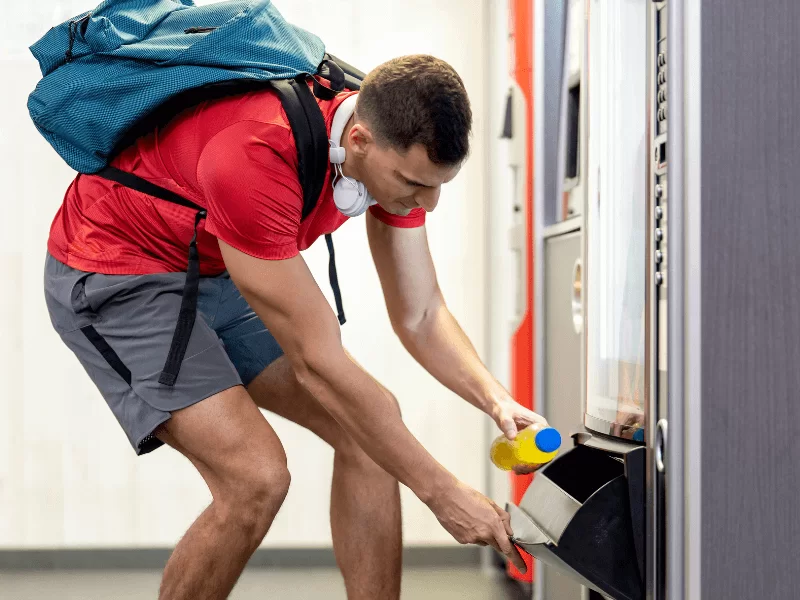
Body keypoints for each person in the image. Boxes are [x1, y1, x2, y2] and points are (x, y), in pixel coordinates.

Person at [43, 53, 547, 600]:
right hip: (117, 268)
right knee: (255, 477)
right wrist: (442, 492)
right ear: (357, 141)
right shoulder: (254, 153)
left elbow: (421, 313)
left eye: (437, 185)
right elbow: (316, 363)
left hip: (213, 258)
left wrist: (497, 400)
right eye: (411, 183)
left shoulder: (391, 147)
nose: (425, 202)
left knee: (370, 435)